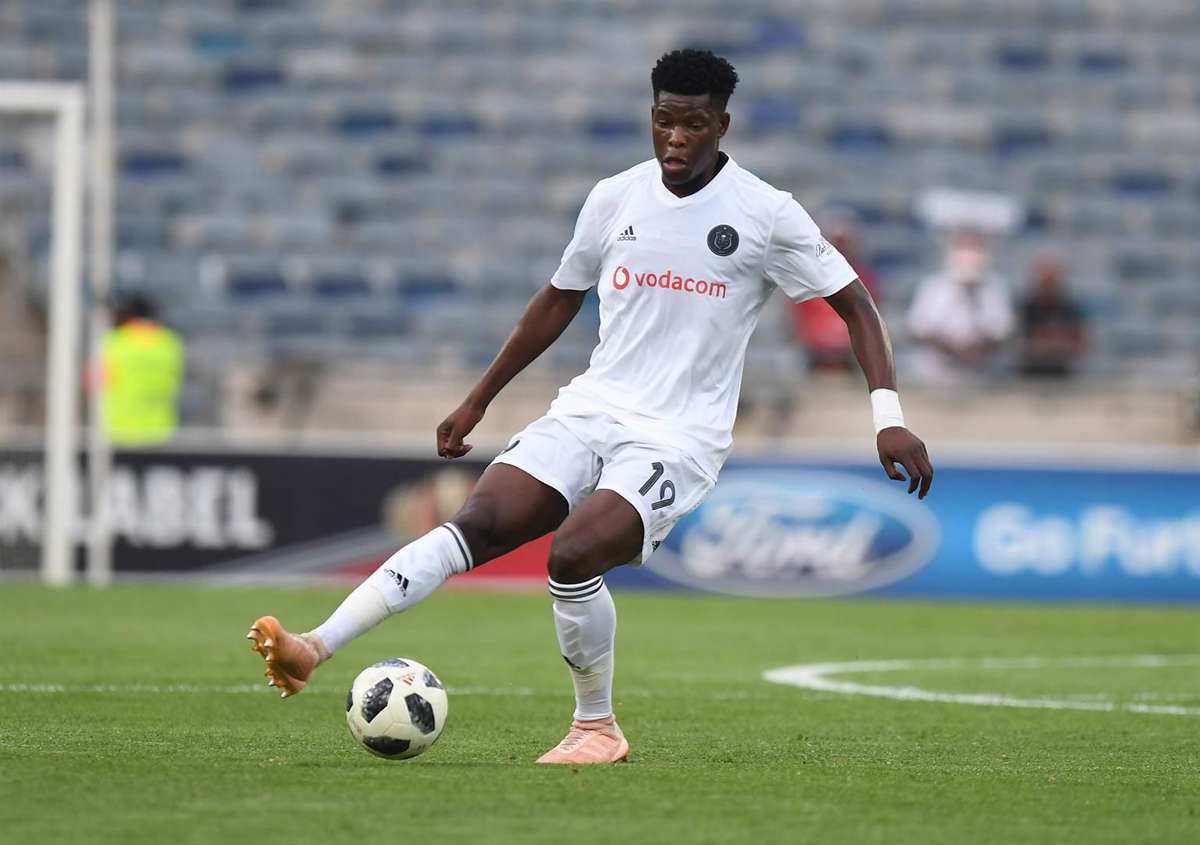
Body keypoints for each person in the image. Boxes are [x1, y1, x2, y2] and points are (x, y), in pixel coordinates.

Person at [247, 49, 934, 765]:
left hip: (678, 438)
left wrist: (888, 416)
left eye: (694, 125)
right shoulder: (615, 198)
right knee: (476, 524)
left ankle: (596, 727)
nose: (675, 138)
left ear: (722, 126)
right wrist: (479, 399)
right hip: (589, 410)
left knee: (573, 554)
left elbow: (856, 306)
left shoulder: (766, 213)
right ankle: (314, 646)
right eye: (664, 121)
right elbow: (558, 299)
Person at [906, 231, 1015, 385]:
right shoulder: (932, 286)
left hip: (983, 375)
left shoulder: (996, 288)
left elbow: (1002, 331)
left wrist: (978, 349)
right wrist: (951, 349)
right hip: (936, 375)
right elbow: (919, 329)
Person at [789, 216, 879, 372]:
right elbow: (799, 316)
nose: (840, 250)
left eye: (843, 244)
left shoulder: (864, 277)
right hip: (815, 351)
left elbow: (871, 314)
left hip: (850, 351)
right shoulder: (808, 276)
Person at [100, 292, 185, 446]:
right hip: (161, 431)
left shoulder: (115, 342)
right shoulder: (170, 342)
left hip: (121, 431)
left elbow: (97, 382)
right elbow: (176, 380)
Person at [1016, 252, 1087, 379]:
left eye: (1052, 281)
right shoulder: (1026, 309)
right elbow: (1019, 344)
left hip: (1063, 374)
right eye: (1045, 281)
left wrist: (1057, 345)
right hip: (1029, 375)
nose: (1048, 286)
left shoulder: (1070, 309)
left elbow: (1082, 343)